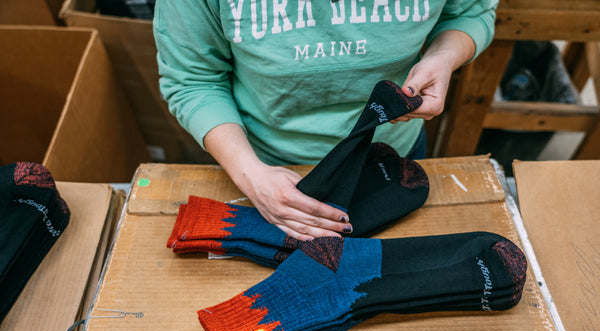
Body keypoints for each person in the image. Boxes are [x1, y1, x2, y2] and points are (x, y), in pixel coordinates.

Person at [153, 0, 498, 241]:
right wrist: (251, 174)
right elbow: (194, 80)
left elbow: (469, 13)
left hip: (391, 160)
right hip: (265, 167)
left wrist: (444, 55)